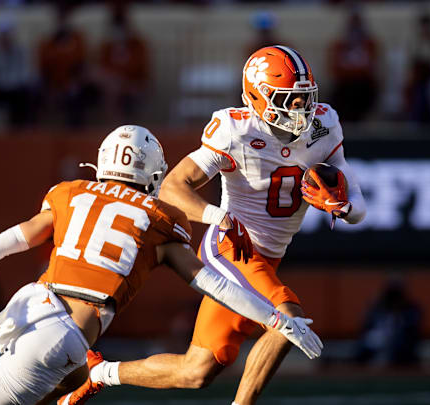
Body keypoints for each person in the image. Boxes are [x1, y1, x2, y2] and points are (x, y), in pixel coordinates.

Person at [63, 46, 365, 405]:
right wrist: (218, 217)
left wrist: (343, 206)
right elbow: (174, 186)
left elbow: (357, 203)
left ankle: (98, 374)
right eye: (288, 100)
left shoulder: (323, 124)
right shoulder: (236, 130)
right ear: (258, 97)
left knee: (197, 371)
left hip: (267, 259)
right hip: (230, 248)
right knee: (289, 321)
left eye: (304, 99)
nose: (300, 110)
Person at [0, 125, 322, 405]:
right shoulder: (159, 219)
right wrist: (275, 319)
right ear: (153, 173)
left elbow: (1, 243)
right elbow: (216, 285)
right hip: (67, 337)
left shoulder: (69, 193)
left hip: (40, 318)